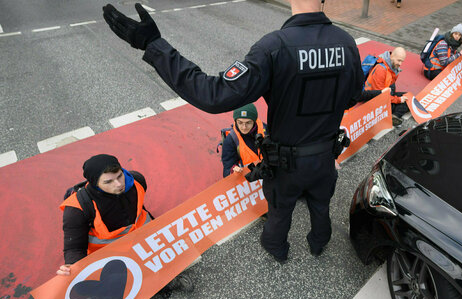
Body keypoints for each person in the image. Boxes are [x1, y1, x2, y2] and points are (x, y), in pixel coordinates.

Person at [102, 0, 364, 263]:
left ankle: (277, 248)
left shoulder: (275, 47)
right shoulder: (347, 42)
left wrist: (154, 45)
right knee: (321, 205)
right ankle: (318, 243)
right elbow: (353, 97)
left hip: (288, 163)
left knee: (280, 210)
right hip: (325, 157)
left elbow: (214, 95)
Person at [56, 155, 192, 293]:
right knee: (115, 286)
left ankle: (168, 278)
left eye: (120, 176)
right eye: (108, 181)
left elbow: (141, 208)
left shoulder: (137, 180)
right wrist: (73, 268)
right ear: (94, 183)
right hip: (111, 255)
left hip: (144, 240)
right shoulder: (76, 208)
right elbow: (74, 248)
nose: (119, 184)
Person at [360, 47, 408, 126]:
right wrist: (398, 100)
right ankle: (393, 116)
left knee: (408, 96)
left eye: (402, 61)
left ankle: (393, 116)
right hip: (372, 99)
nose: (400, 64)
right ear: (391, 56)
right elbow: (380, 96)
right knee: (403, 101)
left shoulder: (392, 67)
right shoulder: (381, 69)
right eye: (398, 60)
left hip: (383, 94)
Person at [221, 103, 266, 178]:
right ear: (235, 121)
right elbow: (227, 168)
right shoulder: (230, 140)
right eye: (240, 123)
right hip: (249, 180)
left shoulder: (266, 130)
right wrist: (232, 170)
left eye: (248, 123)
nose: (244, 127)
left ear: (254, 121)